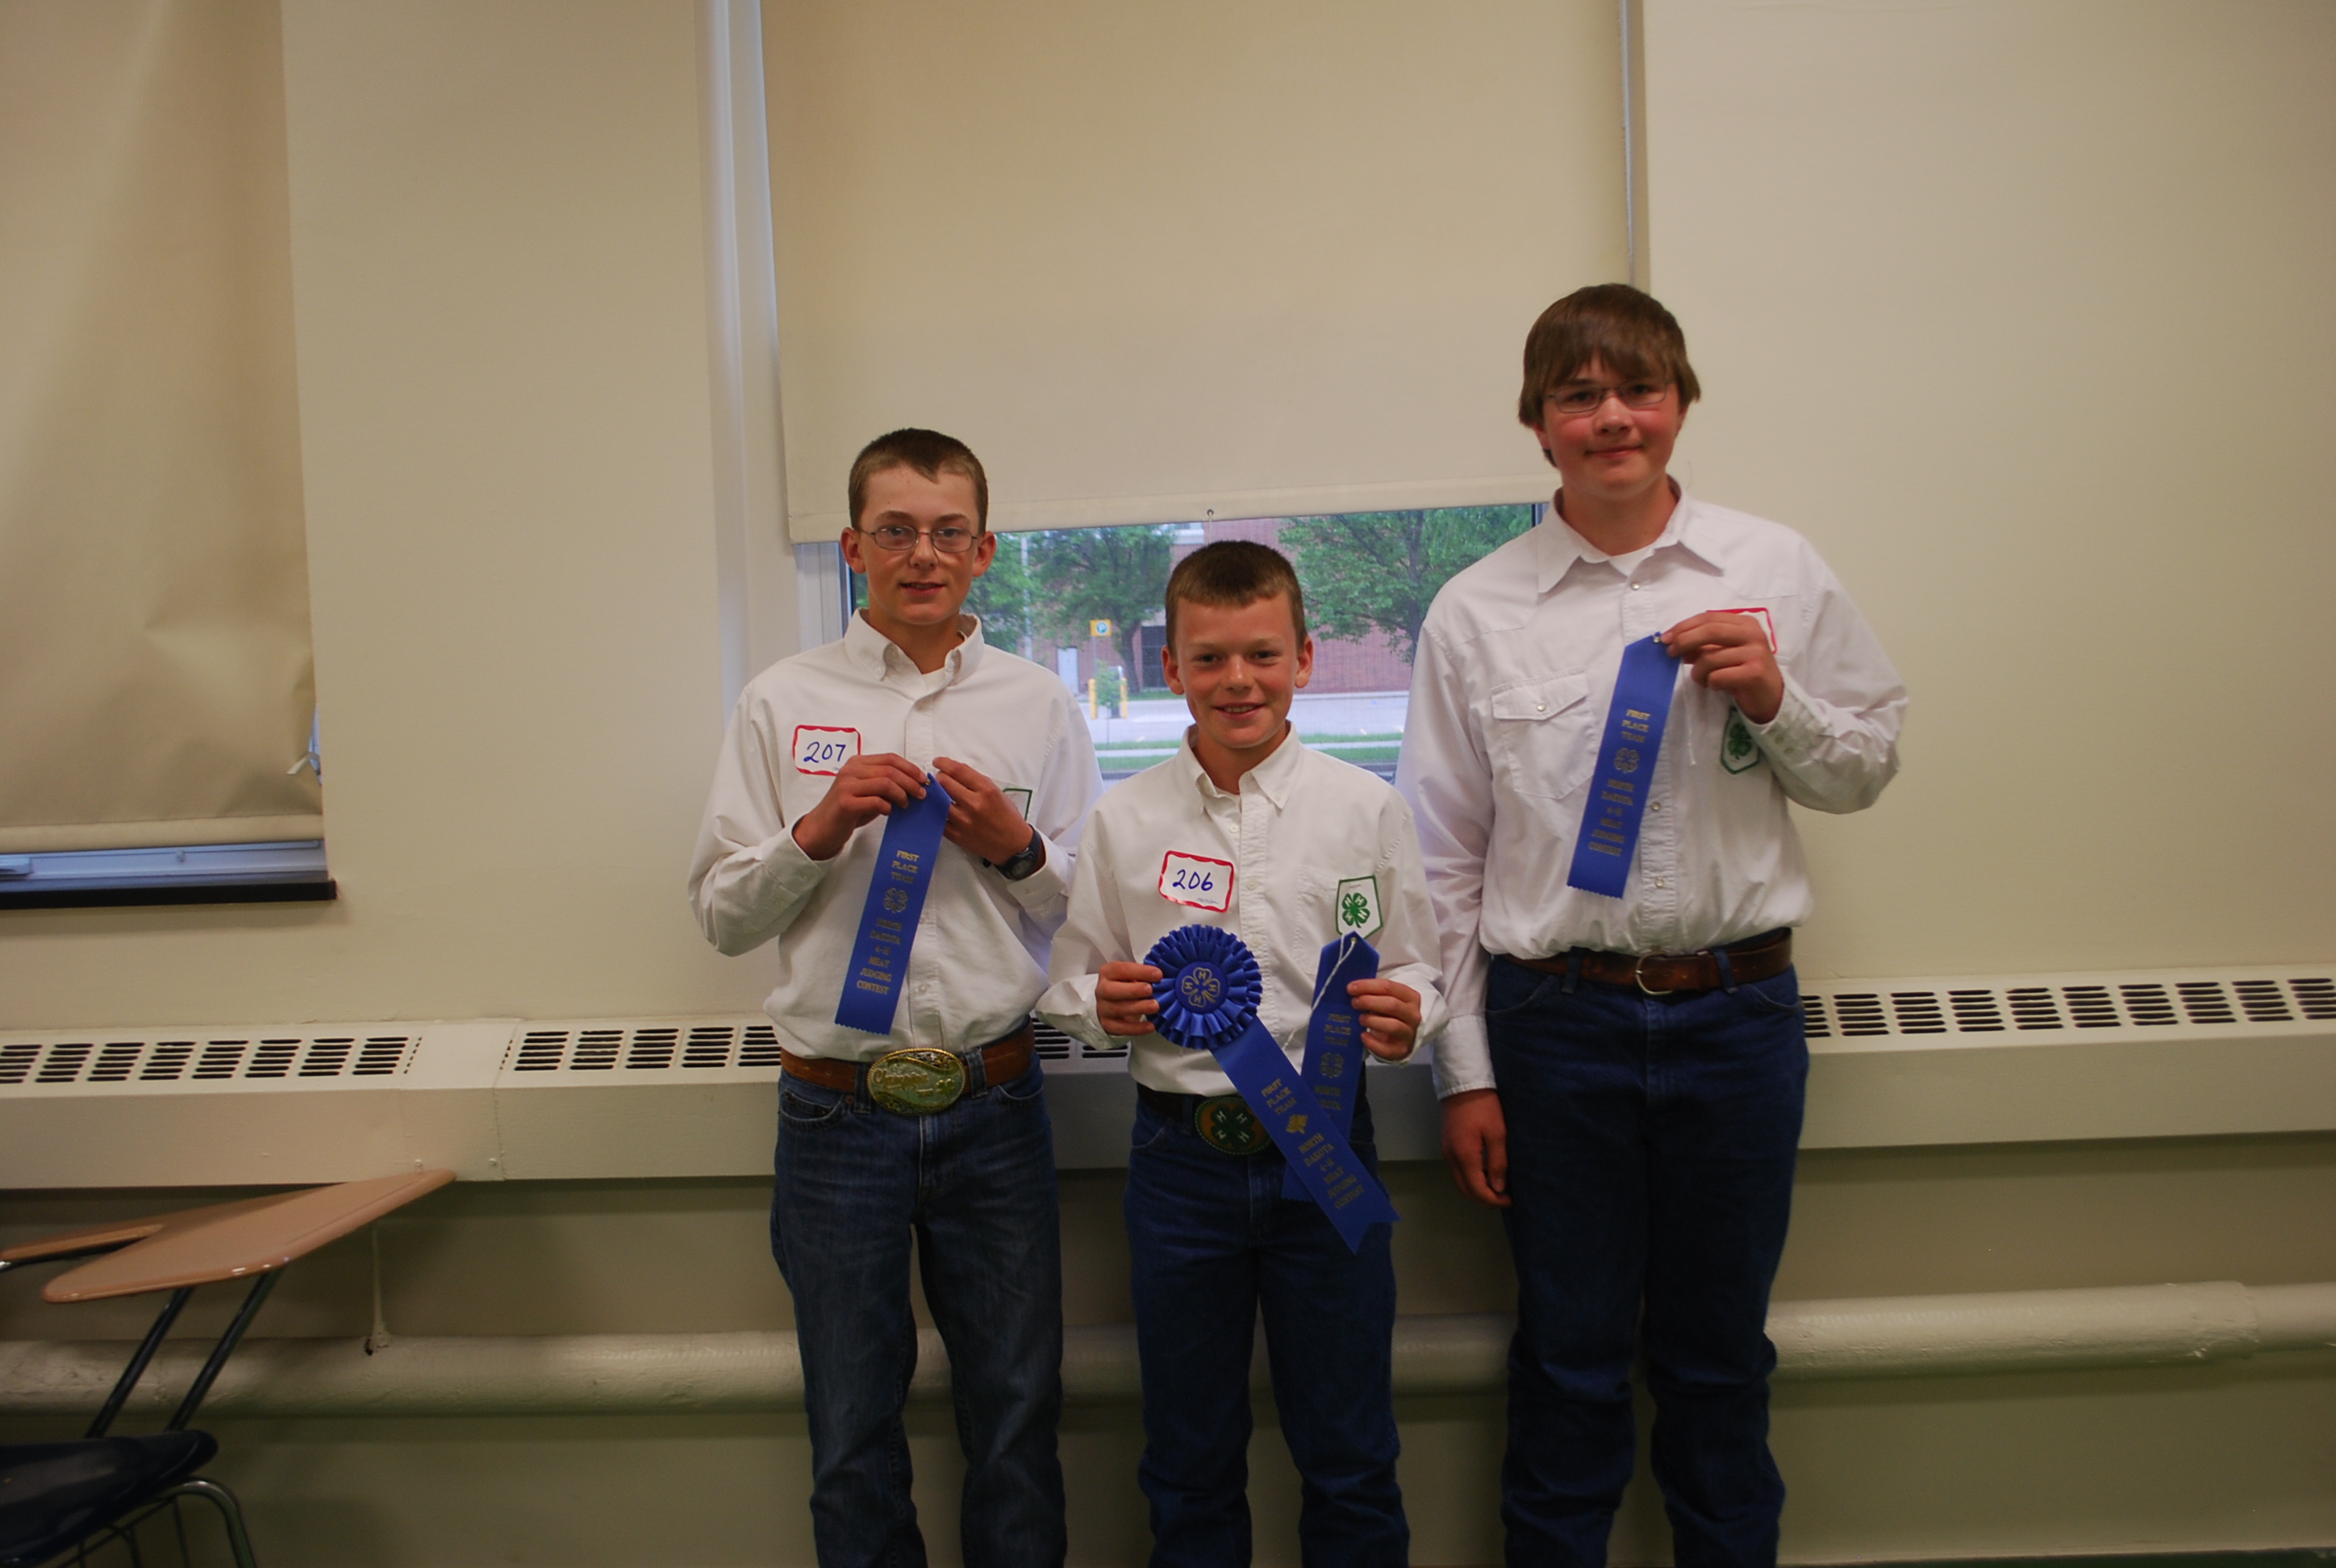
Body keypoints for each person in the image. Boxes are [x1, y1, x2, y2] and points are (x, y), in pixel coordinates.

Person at [1397, 284, 1906, 1567]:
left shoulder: (1775, 568)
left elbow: (1862, 772)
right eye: (1579, 394)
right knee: (1566, 1361)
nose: (1612, 416)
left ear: (1679, 403)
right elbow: (1443, 860)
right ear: (1538, 423)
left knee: (1719, 1357)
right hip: (1553, 1030)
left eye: (1639, 388)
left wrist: (1778, 699)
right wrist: (1466, 1071)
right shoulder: (1476, 609)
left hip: (1736, 1021)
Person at [687, 428, 1101, 1568]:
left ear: (985, 550)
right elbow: (723, 917)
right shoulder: (778, 704)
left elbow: (1093, 920)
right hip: (836, 1120)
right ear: (852, 546)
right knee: (852, 1435)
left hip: (995, 1109)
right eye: (897, 530)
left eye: (949, 531)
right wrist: (814, 831)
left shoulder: (1039, 707)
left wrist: (1019, 848)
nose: (924, 553)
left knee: (1017, 1422)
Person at [1040, 540, 1447, 1568]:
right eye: (1209, 659)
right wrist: (1104, 1003)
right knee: (1188, 1459)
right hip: (1182, 1172)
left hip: (1327, 1155)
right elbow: (1070, 981)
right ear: (1169, 668)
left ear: (1304, 659)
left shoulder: (1369, 809)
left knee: (1351, 1453)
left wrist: (1417, 1014)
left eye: (1261, 655)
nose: (1238, 681)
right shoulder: (1122, 822)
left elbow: (1424, 967)